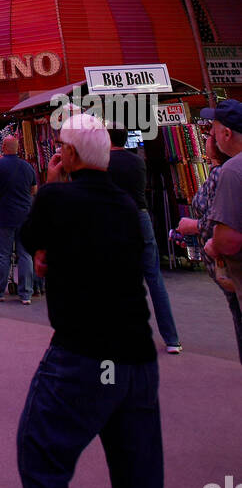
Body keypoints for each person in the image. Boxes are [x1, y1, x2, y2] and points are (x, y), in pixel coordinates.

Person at [16, 113, 162, 488]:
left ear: (69, 154)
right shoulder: (128, 208)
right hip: (138, 360)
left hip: (84, 355)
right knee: (140, 483)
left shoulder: (56, 197)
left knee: (41, 459)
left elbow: (30, 238)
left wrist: (49, 185)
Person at [106, 126, 181, 352]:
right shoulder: (138, 161)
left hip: (116, 217)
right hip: (141, 215)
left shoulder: (103, 163)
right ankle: (172, 339)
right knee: (154, 277)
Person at [176, 119, 242, 364]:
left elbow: (219, 219)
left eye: (210, 134)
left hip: (231, 265)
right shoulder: (223, 171)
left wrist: (199, 229)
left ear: (225, 135)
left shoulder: (227, 173)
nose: (206, 140)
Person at [0, 134, 36, 304]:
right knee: (25, 254)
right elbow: (34, 190)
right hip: (25, 215)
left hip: (4, 214)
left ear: (3, 147)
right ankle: (26, 293)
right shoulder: (27, 167)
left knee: (3, 255)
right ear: (18, 148)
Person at [204, 100, 242, 336]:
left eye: (214, 131)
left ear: (226, 133)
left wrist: (213, 245)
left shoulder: (232, 171)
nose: (212, 137)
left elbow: (229, 240)